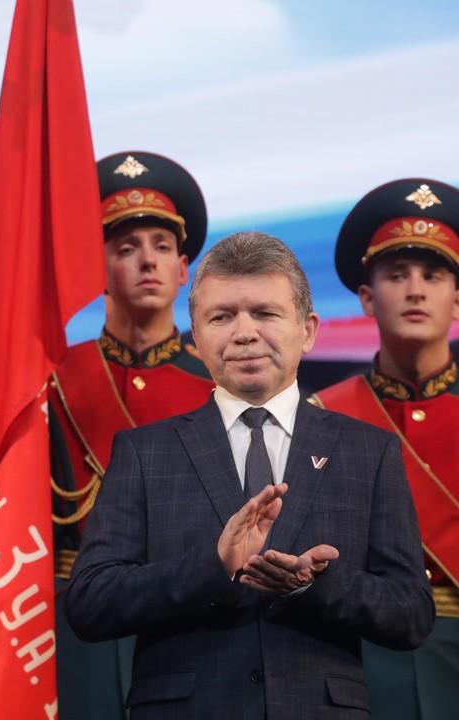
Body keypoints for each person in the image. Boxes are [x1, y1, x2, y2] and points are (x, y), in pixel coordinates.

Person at [65, 230, 434, 719]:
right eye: (221, 317)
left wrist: (314, 585)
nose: (244, 333)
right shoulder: (143, 451)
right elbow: (89, 604)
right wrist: (211, 567)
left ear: (308, 330)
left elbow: (411, 614)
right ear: (197, 337)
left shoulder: (369, 450)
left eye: (265, 313)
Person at [47, 151, 214, 718]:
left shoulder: (222, 388)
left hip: (189, 624)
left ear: (184, 268)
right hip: (72, 628)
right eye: (125, 248)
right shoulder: (49, 380)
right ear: (96, 268)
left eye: (162, 247)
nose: (147, 261)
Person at [311, 178, 459, 720]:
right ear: (368, 298)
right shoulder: (320, 416)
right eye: (397, 275)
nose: (415, 290)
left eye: (433, 276)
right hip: (359, 655)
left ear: (457, 297)